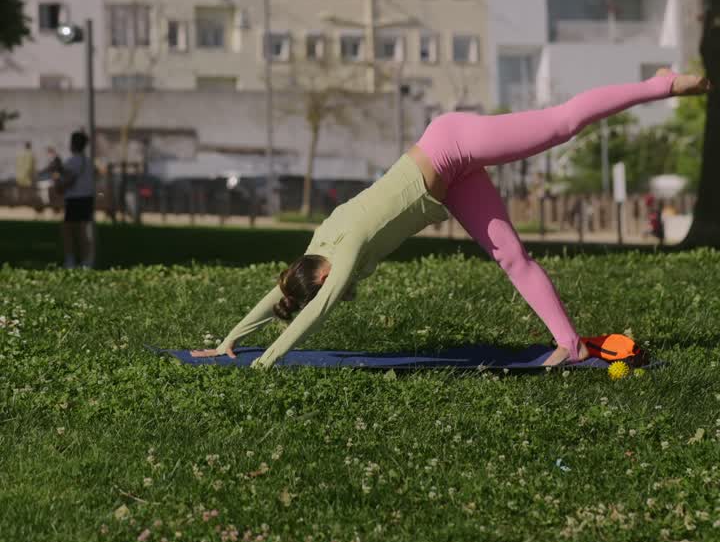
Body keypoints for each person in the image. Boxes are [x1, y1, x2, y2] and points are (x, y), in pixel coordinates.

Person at [191, 70, 709, 370]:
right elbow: (282, 296)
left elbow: (310, 314)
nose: (337, 291)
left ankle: (659, 85)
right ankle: (569, 344)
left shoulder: (340, 255)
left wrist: (266, 361)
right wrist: (230, 340)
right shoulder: (317, 242)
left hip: (450, 146)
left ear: (321, 275)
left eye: (329, 288)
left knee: (561, 124)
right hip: (450, 185)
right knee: (512, 256)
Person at [53, 130, 96, 268]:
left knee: (69, 231)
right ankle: (86, 260)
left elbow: (67, 178)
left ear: (73, 144)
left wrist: (58, 171)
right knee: (82, 230)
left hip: (76, 199)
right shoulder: (87, 161)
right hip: (87, 198)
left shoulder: (73, 161)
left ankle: (72, 260)